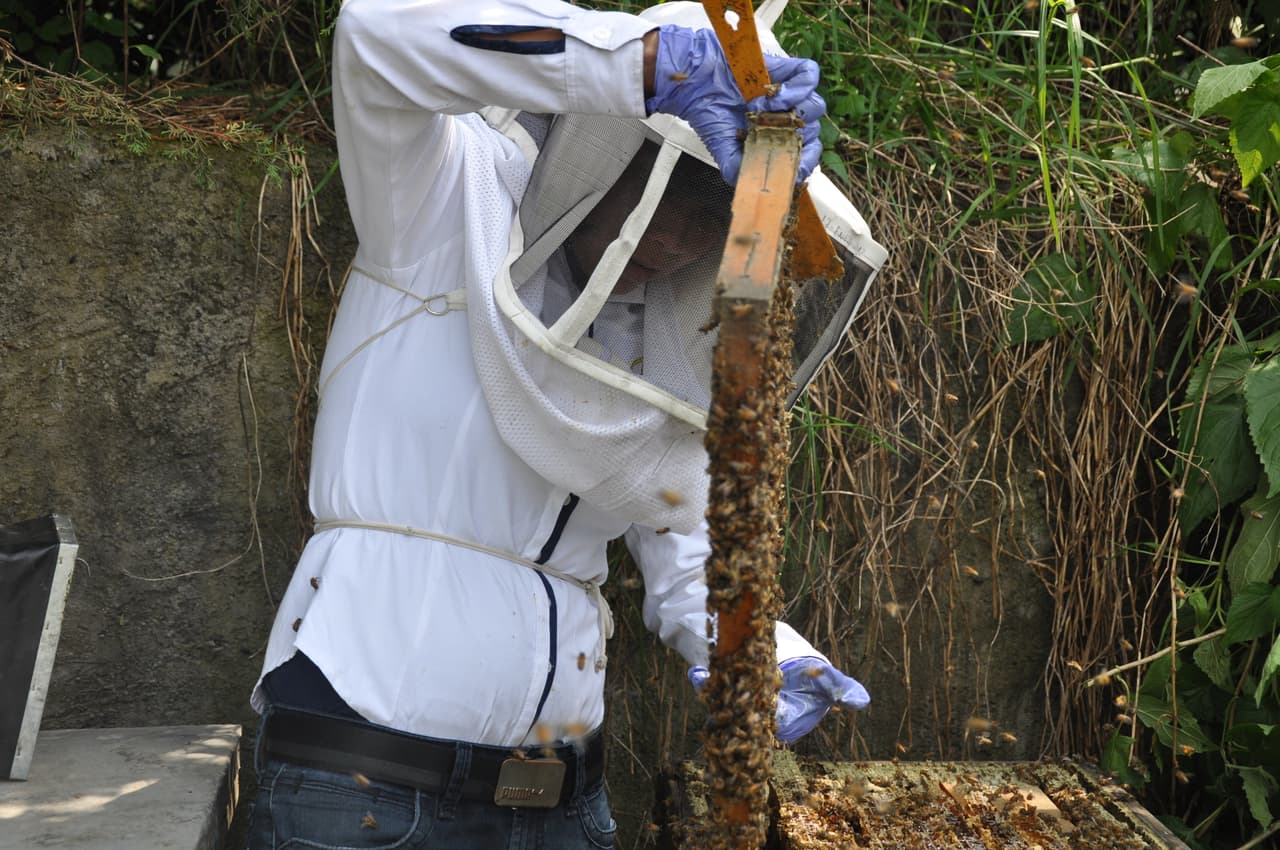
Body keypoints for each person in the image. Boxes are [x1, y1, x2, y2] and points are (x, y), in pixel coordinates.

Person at [243, 1, 875, 847]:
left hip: (561, 803)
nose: (682, 234)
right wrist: (650, 64)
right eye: (670, 184)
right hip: (364, 775)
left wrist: (763, 657)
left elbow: (682, 537)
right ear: (602, 141)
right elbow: (372, 36)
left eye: (714, 209)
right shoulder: (440, 198)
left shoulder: (660, 340)